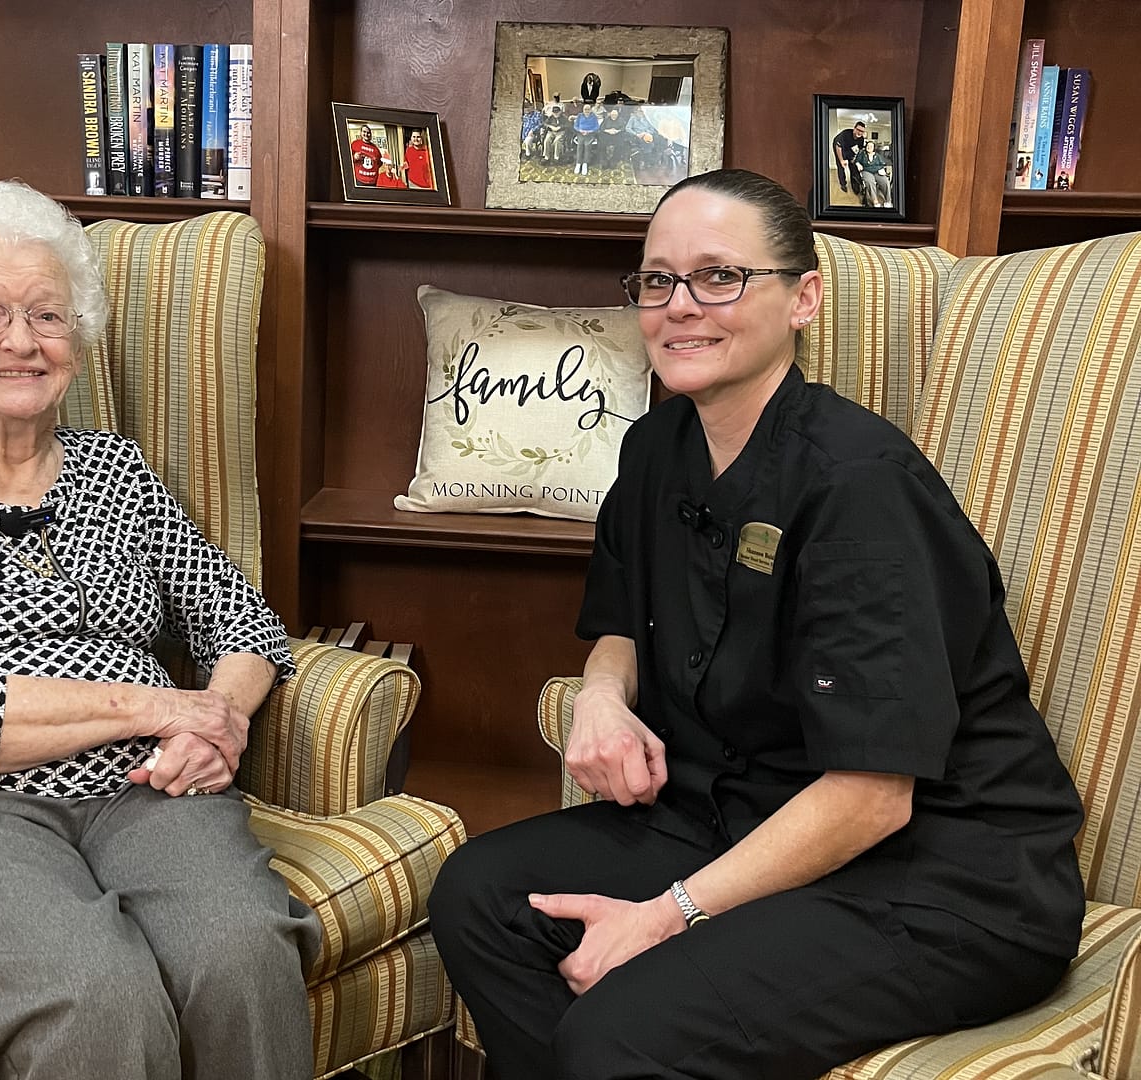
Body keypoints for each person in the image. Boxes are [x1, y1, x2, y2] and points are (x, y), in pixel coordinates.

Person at [429, 168, 1085, 1080]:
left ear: (802, 298)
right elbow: (618, 619)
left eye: (720, 277)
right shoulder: (654, 447)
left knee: (617, 1029)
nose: (680, 306)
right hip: (737, 812)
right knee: (478, 896)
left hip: (937, 877)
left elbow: (872, 795)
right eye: (657, 281)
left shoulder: (859, 485)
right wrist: (603, 701)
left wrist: (662, 917)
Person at [0, 180, 321, 1080]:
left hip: (138, 791)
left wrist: (225, 717)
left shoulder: (118, 474)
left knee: (238, 953)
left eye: (48, 314)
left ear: (75, 341)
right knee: (94, 990)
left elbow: (241, 624)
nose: (22, 340)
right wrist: (157, 706)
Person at [832, 119, 866, 194]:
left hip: (850, 149)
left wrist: (855, 159)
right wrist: (841, 160)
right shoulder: (845, 134)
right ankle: (843, 184)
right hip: (840, 148)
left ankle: (855, 183)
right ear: (854, 128)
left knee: (853, 165)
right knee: (841, 166)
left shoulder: (861, 139)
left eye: (862, 131)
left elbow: (859, 150)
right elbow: (838, 147)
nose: (859, 132)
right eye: (858, 130)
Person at [856, 139, 892, 206]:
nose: (869, 147)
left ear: (873, 148)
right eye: (868, 146)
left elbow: (882, 164)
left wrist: (882, 169)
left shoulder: (877, 155)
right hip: (866, 171)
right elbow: (857, 161)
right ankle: (875, 201)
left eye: (871, 146)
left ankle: (888, 201)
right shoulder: (862, 154)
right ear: (866, 147)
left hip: (877, 172)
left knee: (885, 182)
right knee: (870, 182)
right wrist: (858, 164)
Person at [571, 102, 600, 176]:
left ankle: (585, 164)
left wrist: (590, 131)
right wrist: (580, 130)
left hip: (590, 134)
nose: (587, 111)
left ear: (591, 110)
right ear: (583, 110)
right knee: (580, 145)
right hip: (581, 133)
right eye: (585, 109)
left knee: (587, 145)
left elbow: (597, 127)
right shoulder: (579, 116)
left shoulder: (594, 116)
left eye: (588, 109)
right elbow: (575, 126)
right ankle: (578, 163)